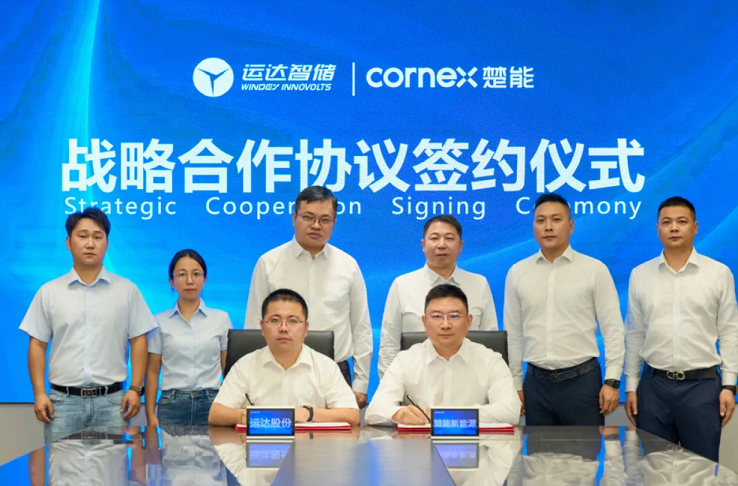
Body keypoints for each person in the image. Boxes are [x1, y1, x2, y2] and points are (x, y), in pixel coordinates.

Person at [19, 208, 157, 442]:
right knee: (63, 464)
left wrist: (135, 389)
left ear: (107, 243)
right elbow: (37, 345)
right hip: (62, 403)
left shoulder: (127, 290)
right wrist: (39, 393)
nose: (90, 243)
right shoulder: (49, 292)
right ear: (69, 243)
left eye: (97, 236)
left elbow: (138, 341)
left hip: (113, 401)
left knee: (113, 464)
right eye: (82, 236)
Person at [624, 196, 738, 462]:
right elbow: (634, 334)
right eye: (666, 222)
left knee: (700, 470)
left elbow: (730, 332)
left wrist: (729, 386)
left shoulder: (718, 273)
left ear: (695, 227)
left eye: (681, 221)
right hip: (654, 388)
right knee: (655, 470)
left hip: (702, 388)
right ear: (657, 229)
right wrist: (631, 387)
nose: (674, 228)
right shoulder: (640, 275)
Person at [244, 186, 372, 408]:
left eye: (325, 220)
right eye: (308, 217)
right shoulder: (269, 263)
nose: (316, 225)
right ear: (294, 217)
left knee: (339, 432)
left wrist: (360, 384)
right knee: (280, 431)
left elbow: (360, 328)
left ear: (334, 222)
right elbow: (254, 325)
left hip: (335, 373)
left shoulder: (348, 266)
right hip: (278, 371)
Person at [504, 193, 624, 426]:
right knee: (538, 450)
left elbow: (613, 329)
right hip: (536, 384)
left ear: (570, 226)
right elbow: (513, 334)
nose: (548, 227)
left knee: (586, 449)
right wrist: (515, 384)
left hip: (583, 383)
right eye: (541, 220)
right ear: (533, 226)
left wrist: (612, 380)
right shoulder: (518, 273)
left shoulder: (594, 269)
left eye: (556, 219)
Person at [365, 284, 520, 426]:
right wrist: (399, 413)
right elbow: (373, 411)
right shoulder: (405, 360)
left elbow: (511, 411)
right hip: (420, 445)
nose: (445, 325)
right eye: (437, 316)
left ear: (469, 321)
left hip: (477, 445)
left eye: (454, 316)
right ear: (424, 322)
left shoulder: (490, 360)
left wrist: (446, 416)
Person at [210, 289, 360, 427]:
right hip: (258, 446)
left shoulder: (325, 366)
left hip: (312, 446)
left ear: (306, 328)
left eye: (292, 321)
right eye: (275, 320)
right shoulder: (245, 365)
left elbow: (352, 415)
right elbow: (216, 414)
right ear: (262, 327)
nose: (283, 328)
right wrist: (254, 417)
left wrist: (307, 414)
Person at [377, 215, 498, 378]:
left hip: (469, 381)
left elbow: (491, 343)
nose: (441, 245)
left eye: (449, 238)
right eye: (434, 238)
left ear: (460, 246)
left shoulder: (479, 284)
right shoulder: (402, 285)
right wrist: (390, 387)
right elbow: (389, 346)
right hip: (415, 383)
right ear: (423, 245)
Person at [145, 249, 233, 426]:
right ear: (171, 281)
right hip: (172, 404)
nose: (190, 280)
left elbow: (228, 370)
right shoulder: (158, 322)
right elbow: (153, 372)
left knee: (214, 446)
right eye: (182, 274)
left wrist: (232, 408)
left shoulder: (221, 319)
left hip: (212, 402)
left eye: (196, 274)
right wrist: (150, 415)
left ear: (205, 279)